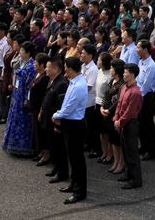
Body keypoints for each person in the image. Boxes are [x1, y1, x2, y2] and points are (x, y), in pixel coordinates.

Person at [52, 57, 88, 204]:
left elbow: (69, 108)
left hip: (75, 125)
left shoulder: (79, 85)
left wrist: (56, 115)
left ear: (72, 69)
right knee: (72, 157)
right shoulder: (74, 82)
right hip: (69, 123)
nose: (64, 69)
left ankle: (80, 192)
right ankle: (74, 184)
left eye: (66, 67)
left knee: (77, 159)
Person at [2, 41, 37, 155]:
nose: (20, 52)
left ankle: (23, 147)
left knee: (23, 121)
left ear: (28, 53)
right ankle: (12, 145)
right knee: (14, 118)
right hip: (16, 95)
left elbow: (30, 85)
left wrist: (27, 99)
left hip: (23, 97)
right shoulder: (22, 62)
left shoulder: (31, 66)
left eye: (22, 50)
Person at [113, 63, 143, 189]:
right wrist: (115, 118)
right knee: (125, 150)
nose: (123, 74)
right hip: (121, 121)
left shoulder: (136, 92)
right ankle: (128, 173)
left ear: (132, 74)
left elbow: (130, 112)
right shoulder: (124, 87)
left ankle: (136, 180)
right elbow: (119, 104)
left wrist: (120, 121)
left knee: (132, 152)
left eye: (126, 72)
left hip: (130, 123)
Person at [100, 59, 125, 175]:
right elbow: (106, 95)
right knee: (112, 140)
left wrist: (108, 110)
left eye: (112, 68)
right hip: (106, 113)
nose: (110, 69)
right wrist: (102, 107)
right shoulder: (111, 81)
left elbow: (118, 101)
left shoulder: (121, 84)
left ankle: (121, 163)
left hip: (114, 114)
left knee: (117, 140)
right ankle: (115, 161)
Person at [135, 39, 155, 160]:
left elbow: (146, 86)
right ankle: (143, 147)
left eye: (138, 47)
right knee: (141, 124)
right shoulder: (141, 61)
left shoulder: (151, 65)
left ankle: (151, 151)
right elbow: (138, 80)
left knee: (148, 125)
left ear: (145, 49)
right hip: (140, 94)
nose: (136, 49)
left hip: (146, 97)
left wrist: (137, 98)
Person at [29, 53, 50, 165]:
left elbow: (43, 96)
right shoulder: (37, 74)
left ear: (42, 65)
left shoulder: (45, 78)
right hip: (33, 108)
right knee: (36, 131)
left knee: (42, 132)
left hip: (39, 109)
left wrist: (41, 110)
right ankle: (40, 152)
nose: (34, 64)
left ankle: (46, 155)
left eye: (36, 63)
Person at [80, 44, 100, 159]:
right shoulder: (83, 65)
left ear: (90, 55)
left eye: (83, 53)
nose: (81, 55)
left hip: (89, 102)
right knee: (86, 126)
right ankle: (88, 144)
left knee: (92, 127)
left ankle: (95, 149)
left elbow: (88, 87)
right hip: (83, 101)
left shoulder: (93, 69)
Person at [95, 52, 113, 165]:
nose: (97, 61)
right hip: (96, 103)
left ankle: (110, 154)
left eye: (99, 60)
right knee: (101, 132)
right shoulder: (99, 71)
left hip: (105, 105)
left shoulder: (109, 75)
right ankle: (104, 152)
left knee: (107, 132)